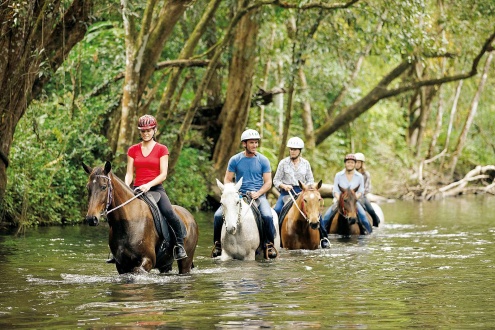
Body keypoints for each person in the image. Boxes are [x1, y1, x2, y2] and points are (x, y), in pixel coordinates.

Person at [124, 114, 187, 260]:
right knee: (120, 215)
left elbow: (163, 174)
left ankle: (179, 245)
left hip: (156, 189)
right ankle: (119, 249)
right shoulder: (132, 150)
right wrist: (127, 186)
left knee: (169, 212)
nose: (146, 133)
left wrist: (148, 185)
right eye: (143, 131)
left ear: (154, 130)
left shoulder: (162, 149)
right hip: (137, 190)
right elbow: (129, 173)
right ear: (139, 132)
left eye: (149, 130)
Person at [211, 129, 278, 259]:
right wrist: (232, 191)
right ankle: (218, 244)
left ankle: (269, 245)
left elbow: (268, 183)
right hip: (239, 195)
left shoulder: (263, 160)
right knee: (218, 215)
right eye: (252, 143)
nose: (255, 145)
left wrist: (258, 193)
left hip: (258, 196)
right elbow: (227, 179)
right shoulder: (235, 160)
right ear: (244, 144)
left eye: (256, 142)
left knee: (267, 216)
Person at [273, 137, 330, 249]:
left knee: (317, 213)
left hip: (303, 191)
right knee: (276, 211)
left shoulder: (306, 164)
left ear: (300, 151)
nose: (292, 151)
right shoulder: (283, 163)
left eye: (295, 149)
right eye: (291, 149)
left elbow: (310, 180)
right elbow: (276, 180)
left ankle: (324, 238)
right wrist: (284, 186)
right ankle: (275, 239)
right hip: (287, 193)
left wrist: (308, 188)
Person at [320, 154, 372, 234]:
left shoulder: (359, 176)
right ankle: (323, 234)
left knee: (363, 217)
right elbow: (335, 191)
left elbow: (361, 191)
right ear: (345, 163)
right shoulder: (338, 175)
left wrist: (354, 198)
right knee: (326, 217)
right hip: (341, 201)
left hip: (353, 202)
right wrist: (340, 199)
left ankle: (367, 234)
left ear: (354, 164)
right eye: (348, 162)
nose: (350, 164)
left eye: (352, 162)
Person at [354, 152, 380, 227]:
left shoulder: (366, 174)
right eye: (356, 162)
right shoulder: (351, 173)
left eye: (359, 162)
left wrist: (359, 194)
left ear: (362, 163)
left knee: (370, 210)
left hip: (362, 196)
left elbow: (367, 188)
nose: (357, 164)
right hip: (351, 197)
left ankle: (376, 222)